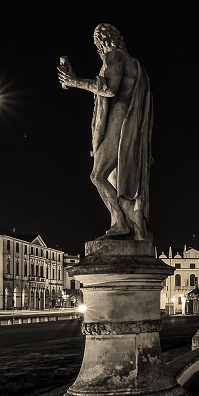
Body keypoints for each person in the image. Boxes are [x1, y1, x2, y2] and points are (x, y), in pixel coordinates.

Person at [58, 23, 154, 241]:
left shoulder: (113, 56)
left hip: (117, 123)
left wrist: (74, 81)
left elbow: (109, 89)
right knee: (118, 179)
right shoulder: (135, 64)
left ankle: (121, 223)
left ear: (101, 41)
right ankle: (132, 221)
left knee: (97, 175)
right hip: (130, 128)